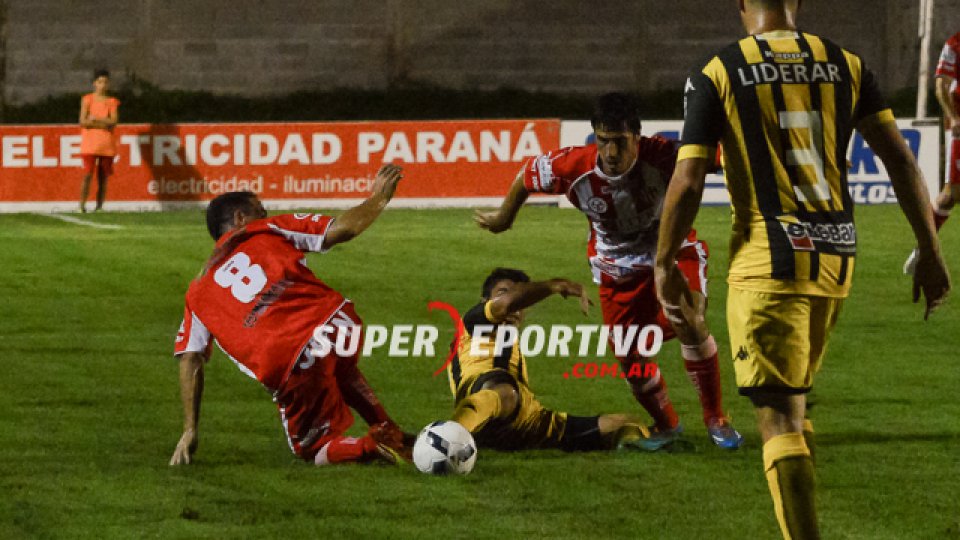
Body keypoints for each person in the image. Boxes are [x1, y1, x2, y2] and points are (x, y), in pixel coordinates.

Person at [655, 1, 951, 537]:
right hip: (836, 258)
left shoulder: (719, 71)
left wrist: (662, 262)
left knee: (777, 417)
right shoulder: (847, 64)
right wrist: (929, 250)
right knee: (791, 402)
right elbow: (900, 160)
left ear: (742, 4)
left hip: (768, 263)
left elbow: (690, 178)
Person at [475, 93, 743, 450]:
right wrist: (503, 219)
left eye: (620, 142)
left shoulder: (664, 154)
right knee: (633, 359)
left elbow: (728, 157)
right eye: (604, 141)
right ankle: (667, 426)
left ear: (637, 136)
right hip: (617, 270)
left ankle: (717, 420)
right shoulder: (574, 167)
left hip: (674, 253)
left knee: (690, 320)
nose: (611, 153)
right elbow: (527, 174)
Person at [170, 164, 414, 467]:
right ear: (239, 218)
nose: (267, 215)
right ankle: (390, 432)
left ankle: (371, 446)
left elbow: (190, 359)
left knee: (313, 449)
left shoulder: (197, 292)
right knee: (338, 368)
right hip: (337, 321)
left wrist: (190, 429)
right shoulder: (267, 229)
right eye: (261, 210)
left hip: (288, 358)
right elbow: (341, 228)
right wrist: (378, 198)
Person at [448, 268, 651, 451]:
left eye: (522, 301)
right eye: (503, 293)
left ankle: (634, 455)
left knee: (627, 424)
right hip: (485, 407)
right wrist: (554, 285)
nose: (515, 307)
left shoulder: (511, 340)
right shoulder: (473, 322)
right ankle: (448, 437)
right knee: (503, 392)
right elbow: (504, 306)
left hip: (529, 419)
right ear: (484, 301)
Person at [904, 31, 960, 274]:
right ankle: (924, 248)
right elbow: (941, 84)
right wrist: (954, 117)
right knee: (952, 193)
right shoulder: (955, 44)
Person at [78, 68, 120, 213]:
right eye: (100, 82)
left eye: (105, 82)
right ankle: (81, 205)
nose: (103, 85)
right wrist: (104, 123)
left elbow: (113, 121)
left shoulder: (111, 101)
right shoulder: (87, 99)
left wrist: (95, 119)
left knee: (103, 177)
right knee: (88, 174)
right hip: (90, 145)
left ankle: (99, 206)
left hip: (106, 145)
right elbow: (83, 121)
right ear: (94, 83)